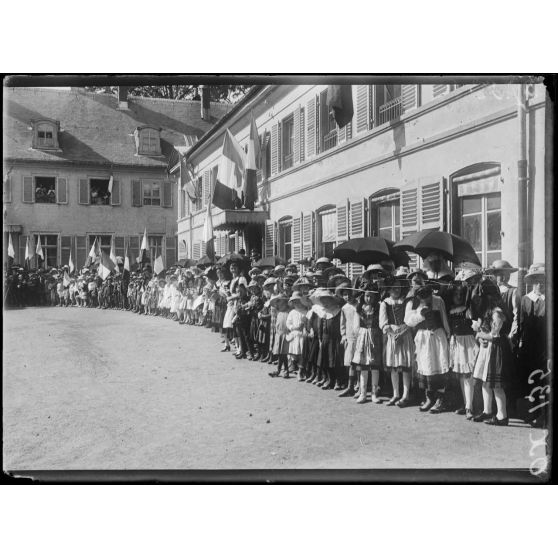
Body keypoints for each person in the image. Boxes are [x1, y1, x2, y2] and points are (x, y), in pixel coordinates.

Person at [472, 278, 514, 426]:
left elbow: (494, 336)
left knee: (496, 385)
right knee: (485, 381)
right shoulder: (488, 312)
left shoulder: (497, 313)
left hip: (496, 350)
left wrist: (479, 335)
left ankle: (502, 416)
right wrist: (481, 334)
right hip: (488, 349)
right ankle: (487, 410)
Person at [405, 284, 451, 413]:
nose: (426, 300)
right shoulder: (412, 303)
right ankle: (429, 398)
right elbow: (408, 321)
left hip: (438, 336)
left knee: (440, 364)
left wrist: (448, 333)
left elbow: (443, 317)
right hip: (423, 337)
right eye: (422, 298)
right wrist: (421, 314)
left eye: (428, 297)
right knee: (427, 366)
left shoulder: (438, 300)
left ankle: (440, 399)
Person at [518, 263, 547, 427]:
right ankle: (536, 414)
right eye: (536, 280)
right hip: (530, 347)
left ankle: (545, 416)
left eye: (542, 280)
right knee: (533, 381)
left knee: (546, 382)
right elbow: (521, 323)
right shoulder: (525, 299)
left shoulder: (548, 299)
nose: (539, 284)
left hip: (545, 346)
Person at [380, 276, 414, 407]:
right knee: (394, 366)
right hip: (392, 337)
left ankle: (405, 395)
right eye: (393, 287)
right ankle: (395, 394)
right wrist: (392, 333)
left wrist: (401, 332)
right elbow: (383, 323)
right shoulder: (385, 303)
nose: (396, 290)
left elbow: (410, 321)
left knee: (405, 367)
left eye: (399, 287)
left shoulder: (407, 302)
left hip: (405, 335)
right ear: (388, 289)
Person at [446, 281, 478, 420]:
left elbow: (476, 324)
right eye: (456, 294)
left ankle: (469, 407)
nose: (458, 296)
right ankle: (466, 404)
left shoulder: (467, 309)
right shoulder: (451, 310)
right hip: (456, 342)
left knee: (467, 376)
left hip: (468, 343)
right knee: (460, 375)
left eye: (461, 294)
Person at [352, 284, 382, 403]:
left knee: (374, 366)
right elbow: (356, 325)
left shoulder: (378, 308)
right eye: (366, 296)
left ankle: (374, 393)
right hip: (363, 336)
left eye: (371, 297)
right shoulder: (359, 308)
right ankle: (363, 393)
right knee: (363, 366)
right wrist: (359, 335)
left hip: (375, 337)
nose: (368, 299)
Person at [285, 293, 307, 379]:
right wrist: (292, 327)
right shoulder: (292, 312)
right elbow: (288, 323)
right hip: (294, 334)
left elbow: (308, 323)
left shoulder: (306, 312)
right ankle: (293, 366)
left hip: (302, 335)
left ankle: (301, 371)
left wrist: (304, 326)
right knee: (294, 352)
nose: (297, 304)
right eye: (295, 302)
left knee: (301, 353)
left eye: (299, 302)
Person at [268, 294, 290, 377]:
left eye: (282, 303)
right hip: (279, 335)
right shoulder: (279, 313)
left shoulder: (288, 313)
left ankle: (286, 370)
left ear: (286, 303)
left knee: (284, 354)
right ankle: (279, 370)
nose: (280, 305)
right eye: (279, 304)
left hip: (285, 335)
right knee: (280, 354)